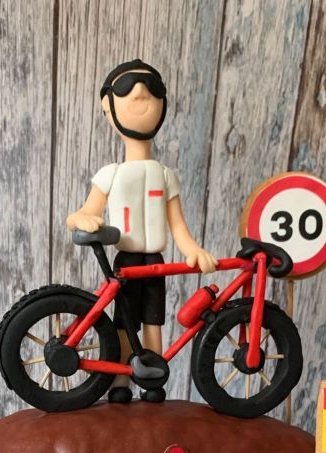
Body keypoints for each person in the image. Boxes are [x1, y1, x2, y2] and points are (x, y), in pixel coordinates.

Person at [66, 60, 217, 403]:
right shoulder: (111, 174)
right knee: (124, 323)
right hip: (127, 260)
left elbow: (178, 224)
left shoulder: (165, 176)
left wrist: (193, 249)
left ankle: (152, 381)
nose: (140, 95)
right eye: (127, 88)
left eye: (152, 90)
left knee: (154, 321)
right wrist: (82, 219)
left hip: (155, 262)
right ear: (108, 107)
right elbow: (82, 213)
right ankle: (120, 381)